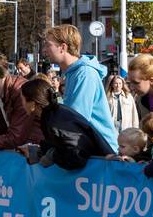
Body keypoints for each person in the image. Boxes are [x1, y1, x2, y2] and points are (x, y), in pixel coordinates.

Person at [40, 25, 117, 153]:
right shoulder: (73, 73)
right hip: (91, 147)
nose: (44, 50)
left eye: (48, 45)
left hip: (101, 151)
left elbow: (76, 117)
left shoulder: (84, 73)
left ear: (63, 47)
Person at [20, 76, 114, 171]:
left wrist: (52, 156)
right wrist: (36, 151)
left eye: (23, 100)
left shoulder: (55, 120)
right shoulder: (52, 114)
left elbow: (77, 155)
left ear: (33, 103)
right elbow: (60, 144)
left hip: (102, 176)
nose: (22, 104)